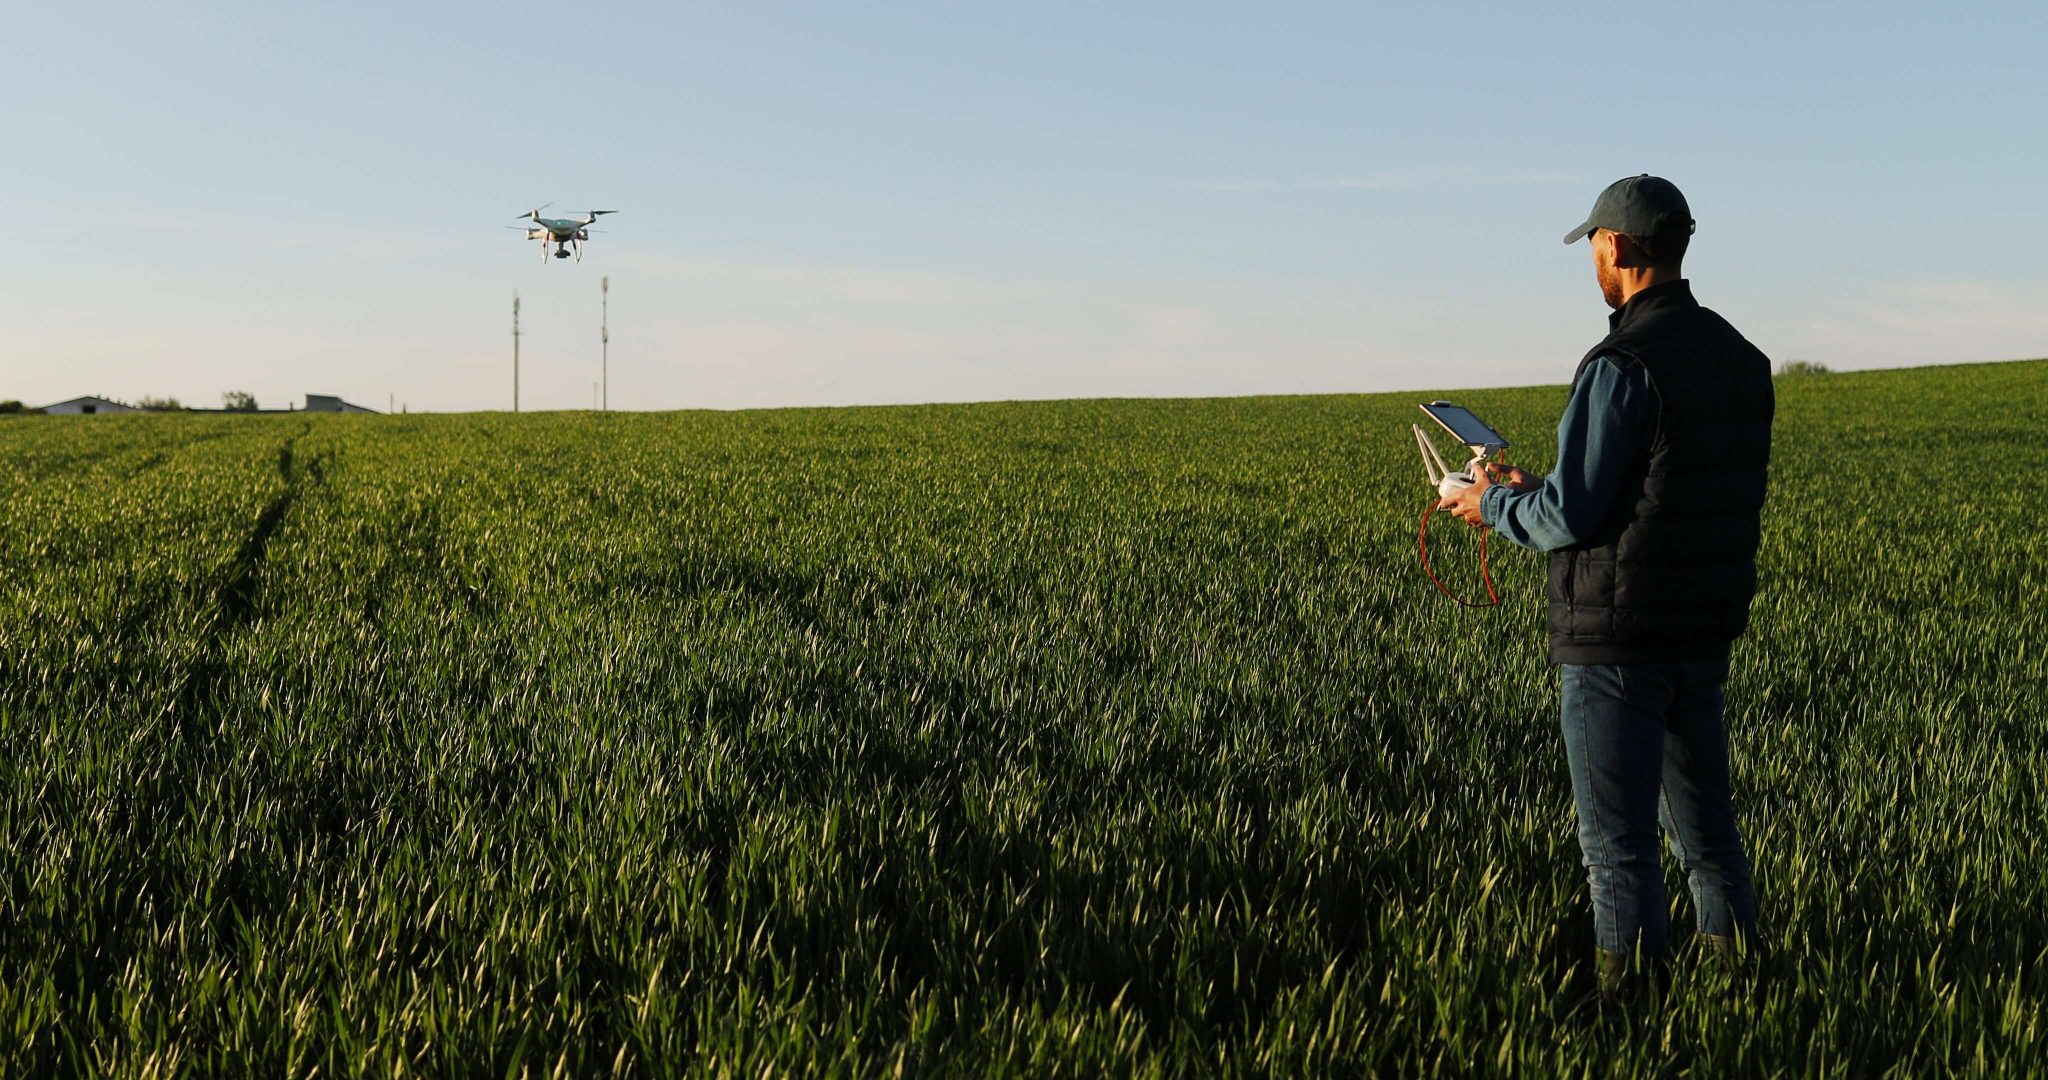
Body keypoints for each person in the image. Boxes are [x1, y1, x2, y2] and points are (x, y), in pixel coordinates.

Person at [1437, 175, 1774, 998]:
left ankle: (1630, 1012)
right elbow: (1656, 486)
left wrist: (1491, 501)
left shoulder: (1621, 363)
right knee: (1709, 839)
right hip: (1702, 632)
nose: (1592, 258)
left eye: (1592, 244)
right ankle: (1745, 993)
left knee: (1618, 848)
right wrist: (1531, 490)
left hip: (1617, 641)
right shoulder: (1741, 357)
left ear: (1617, 248)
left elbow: (1568, 517)